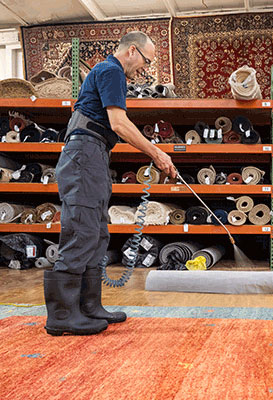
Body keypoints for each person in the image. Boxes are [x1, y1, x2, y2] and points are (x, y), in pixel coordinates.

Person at [44, 31, 176, 336]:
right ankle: (62, 314)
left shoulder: (110, 74)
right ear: (132, 51)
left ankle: (89, 307)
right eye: (146, 61)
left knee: (97, 232)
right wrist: (156, 153)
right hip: (84, 154)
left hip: (95, 153)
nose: (144, 70)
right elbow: (118, 123)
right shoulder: (111, 71)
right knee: (81, 230)